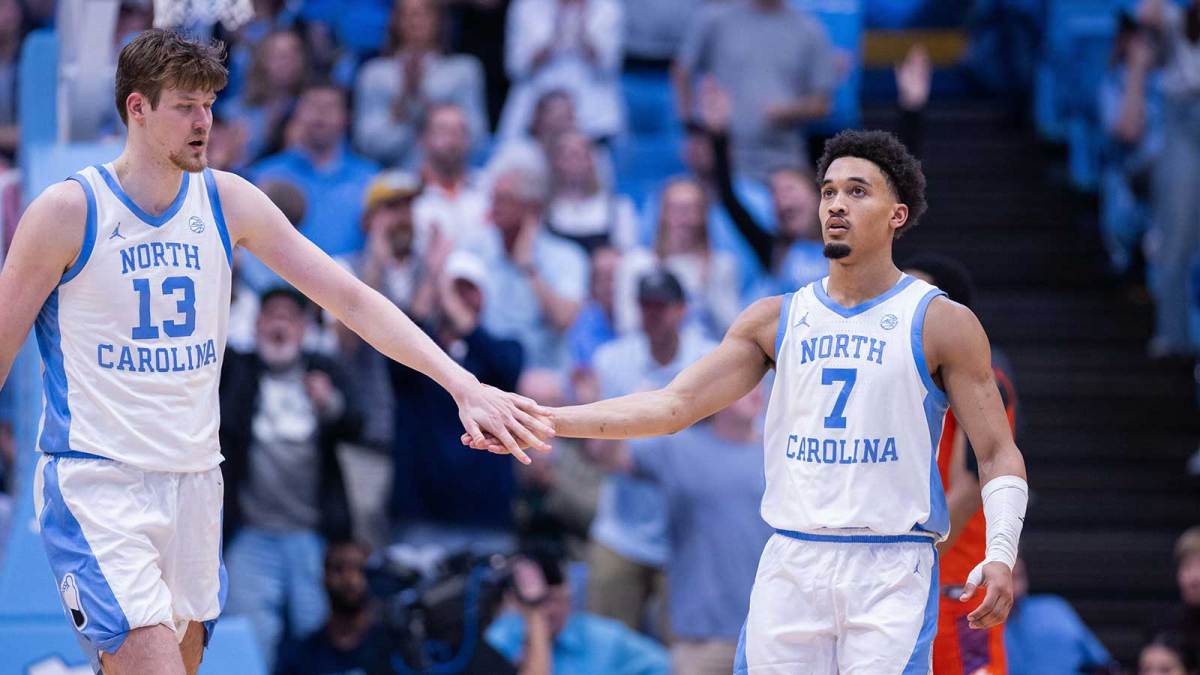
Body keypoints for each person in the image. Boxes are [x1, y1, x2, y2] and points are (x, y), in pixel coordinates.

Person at [0, 29, 551, 674]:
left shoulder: (227, 200)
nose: (204, 122)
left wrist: (462, 384)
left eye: (210, 104)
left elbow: (351, 298)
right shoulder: (68, 210)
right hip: (100, 481)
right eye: (185, 106)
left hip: (197, 481)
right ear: (137, 107)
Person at [474, 129, 1030, 672]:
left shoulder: (942, 322)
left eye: (858, 191)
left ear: (897, 215)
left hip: (890, 566)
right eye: (829, 191)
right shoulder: (774, 318)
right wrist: (544, 418)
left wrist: (1001, 552)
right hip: (793, 558)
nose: (837, 203)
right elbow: (672, 406)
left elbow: (998, 454)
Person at [219, 287, 363, 669]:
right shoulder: (238, 370)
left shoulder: (324, 370)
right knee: (250, 640)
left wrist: (329, 404)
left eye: (290, 316)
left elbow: (360, 424)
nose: (280, 323)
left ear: (303, 329)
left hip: (310, 537)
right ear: (257, 324)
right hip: (249, 534)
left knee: (314, 641)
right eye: (271, 315)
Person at [587, 386, 773, 675]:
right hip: (700, 640)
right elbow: (608, 457)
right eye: (743, 384)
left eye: (757, 384)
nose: (755, 391)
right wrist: (629, 408)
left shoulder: (779, 453)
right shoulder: (678, 447)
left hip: (770, 636)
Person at [902, 254, 1019, 675]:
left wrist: (904, 564)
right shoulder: (911, 382)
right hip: (915, 590)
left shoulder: (983, 382)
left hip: (956, 591)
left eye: (917, 295)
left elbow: (968, 490)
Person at [581, 268, 716, 632]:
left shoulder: (707, 359)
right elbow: (596, 445)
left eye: (661, 306)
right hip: (622, 527)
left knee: (685, 648)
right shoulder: (613, 359)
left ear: (681, 310)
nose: (652, 314)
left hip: (686, 530)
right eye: (645, 306)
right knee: (605, 643)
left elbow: (726, 437)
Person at [673, 0, 837, 181]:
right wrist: (692, 128)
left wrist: (789, 111)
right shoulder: (715, 19)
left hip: (782, 159)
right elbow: (682, 72)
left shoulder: (809, 29)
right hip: (720, 153)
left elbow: (822, 104)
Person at [486, 548, 670, 675]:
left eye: (553, 600)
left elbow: (669, 667)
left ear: (570, 598)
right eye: (538, 603)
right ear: (516, 603)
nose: (547, 612)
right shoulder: (500, 639)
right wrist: (535, 621)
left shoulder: (605, 638)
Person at [353, 0, 488, 169]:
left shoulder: (463, 71)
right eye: (406, 14)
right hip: (391, 182)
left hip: (451, 179)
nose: (414, 21)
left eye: (423, 13)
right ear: (395, 21)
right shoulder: (374, 74)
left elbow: (476, 140)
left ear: (439, 20)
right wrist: (404, 106)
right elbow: (366, 146)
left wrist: (428, 114)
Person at [275, 540, 392, 675]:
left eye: (359, 569)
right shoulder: (300, 655)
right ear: (323, 578)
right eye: (338, 569)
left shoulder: (392, 649)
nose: (350, 579)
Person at [1004, 558, 1117, 675]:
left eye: (1018, 577)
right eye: (1007, 579)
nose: (1016, 589)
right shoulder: (986, 629)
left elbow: (1103, 664)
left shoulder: (1054, 608)